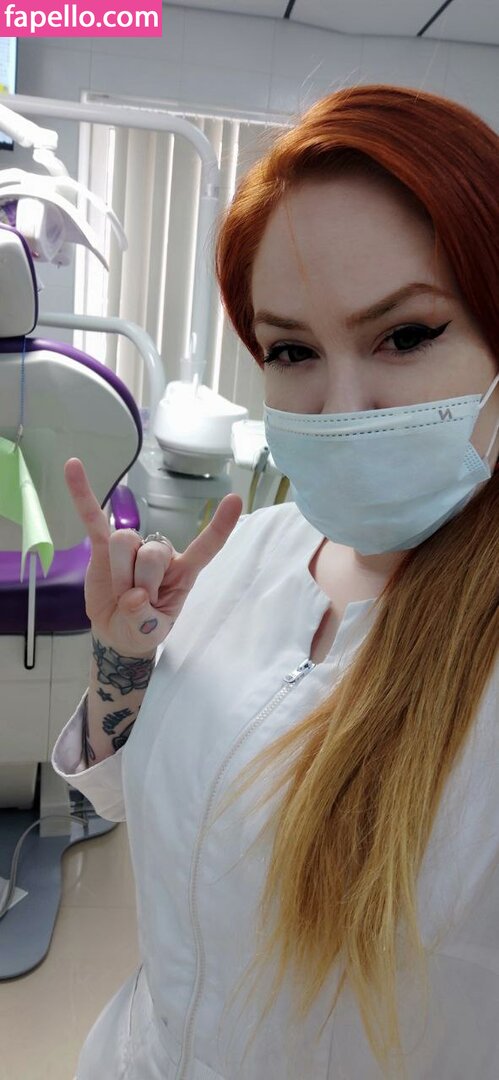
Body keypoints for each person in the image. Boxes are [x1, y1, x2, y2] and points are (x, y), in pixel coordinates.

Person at [53, 85, 499, 1080]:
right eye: (291, 350)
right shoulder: (249, 553)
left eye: (406, 334)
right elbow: (143, 798)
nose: (342, 407)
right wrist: (125, 664)